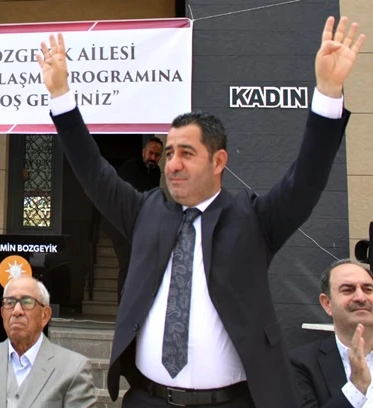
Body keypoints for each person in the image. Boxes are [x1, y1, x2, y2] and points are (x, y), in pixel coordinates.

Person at [36, 16, 365, 407]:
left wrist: (328, 92)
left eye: (187, 153)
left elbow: (306, 180)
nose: (172, 164)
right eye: (169, 152)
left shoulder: (254, 220)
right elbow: (93, 170)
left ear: (218, 160)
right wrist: (61, 97)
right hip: (148, 399)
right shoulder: (144, 212)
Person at [0, 277, 96, 408]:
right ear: (2, 313)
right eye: (10, 302)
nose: (16, 311)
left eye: (27, 302)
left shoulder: (73, 370)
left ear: (45, 315)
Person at [291, 259, 373, 407]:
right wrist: (356, 387)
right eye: (348, 290)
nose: (361, 297)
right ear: (327, 303)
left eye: (368, 289)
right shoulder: (300, 364)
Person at [108, 137, 163, 300]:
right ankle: (123, 305)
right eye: (151, 153)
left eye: (157, 155)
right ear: (143, 152)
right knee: (127, 265)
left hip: (139, 226)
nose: (153, 158)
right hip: (121, 225)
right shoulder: (130, 168)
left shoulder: (156, 172)